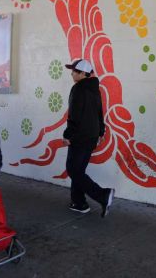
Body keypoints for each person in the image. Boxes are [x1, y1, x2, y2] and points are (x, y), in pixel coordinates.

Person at [63, 58, 115, 217]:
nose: (72, 74)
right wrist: (100, 132)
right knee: (78, 170)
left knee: (73, 170)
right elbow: (100, 112)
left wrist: (68, 135)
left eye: (74, 71)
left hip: (80, 136)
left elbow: (74, 115)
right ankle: (79, 203)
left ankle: (103, 195)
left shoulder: (78, 89)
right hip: (91, 136)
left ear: (83, 73)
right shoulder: (94, 89)